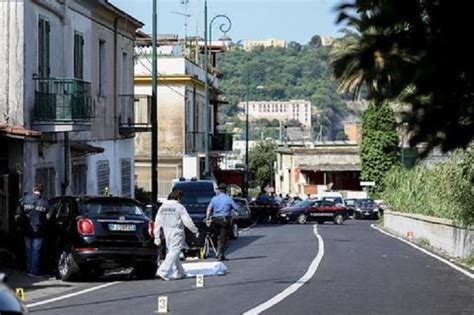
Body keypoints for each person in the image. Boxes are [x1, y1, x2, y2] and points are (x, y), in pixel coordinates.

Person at [153, 189, 199, 281]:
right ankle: (163, 270)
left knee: (173, 252)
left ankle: (179, 272)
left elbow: (157, 223)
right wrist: (195, 230)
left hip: (167, 232)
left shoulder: (162, 207)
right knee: (174, 252)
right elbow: (187, 221)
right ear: (179, 198)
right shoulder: (179, 207)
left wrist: (157, 236)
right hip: (176, 232)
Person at [15, 184, 52, 278]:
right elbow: (48, 216)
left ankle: (29, 269)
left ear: (33, 189)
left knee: (28, 250)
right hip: (39, 231)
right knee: (36, 251)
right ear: (42, 191)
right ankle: (33, 271)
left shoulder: (25, 199)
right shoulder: (44, 202)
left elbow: (18, 213)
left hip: (27, 229)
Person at [206, 183, 238, 261]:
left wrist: (207, 218)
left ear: (219, 191)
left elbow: (209, 209)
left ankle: (218, 251)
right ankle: (221, 254)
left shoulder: (214, 199)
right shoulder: (228, 198)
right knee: (223, 237)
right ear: (225, 190)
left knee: (217, 236)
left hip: (215, 220)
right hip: (224, 220)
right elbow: (236, 207)